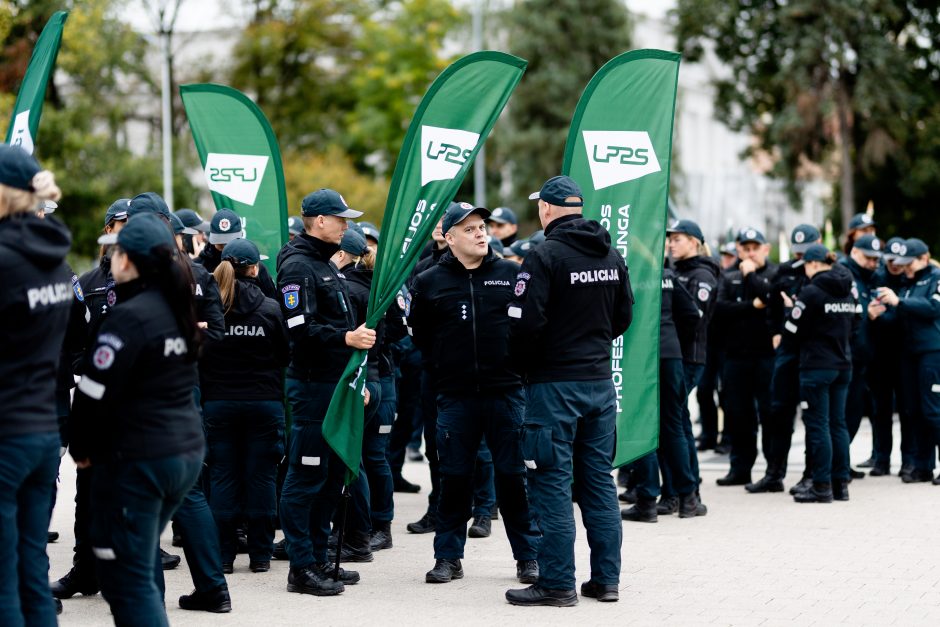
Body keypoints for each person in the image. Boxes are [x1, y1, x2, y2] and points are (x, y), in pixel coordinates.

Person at [68, 213, 207, 624]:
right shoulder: (177, 308)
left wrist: (82, 449)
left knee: (126, 580)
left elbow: (91, 394)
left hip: (145, 457)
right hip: (181, 452)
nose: (110, 258)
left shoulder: (128, 318)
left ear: (128, 260)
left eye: (115, 251)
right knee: (135, 562)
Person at [506, 175, 633, 606]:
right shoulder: (611, 254)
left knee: (551, 483)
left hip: (553, 388)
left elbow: (524, 326)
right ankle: (606, 581)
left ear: (546, 209)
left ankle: (558, 583)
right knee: (598, 482)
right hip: (599, 384)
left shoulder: (544, 255)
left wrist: (529, 365)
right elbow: (623, 317)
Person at [408, 202, 541, 586]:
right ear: (448, 238)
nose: (481, 233)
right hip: (455, 397)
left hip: (507, 394)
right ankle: (448, 558)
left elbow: (529, 327)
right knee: (454, 480)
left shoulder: (511, 273)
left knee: (514, 480)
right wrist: (446, 368)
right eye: (469, 229)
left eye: (482, 226)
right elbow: (421, 336)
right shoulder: (429, 281)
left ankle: (528, 557)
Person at [276, 188, 374, 596]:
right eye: (341, 219)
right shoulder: (299, 266)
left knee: (332, 477)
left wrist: (357, 382)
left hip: (337, 386)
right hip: (314, 386)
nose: (346, 226)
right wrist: (346, 337)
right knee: (306, 477)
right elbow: (299, 330)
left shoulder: (326, 265)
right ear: (319, 221)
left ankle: (319, 558)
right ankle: (301, 567)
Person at [0, 144, 67, 626]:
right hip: (42, 429)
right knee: (31, 574)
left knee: (5, 581)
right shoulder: (53, 254)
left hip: (6, 433)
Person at [200, 237, 289, 575]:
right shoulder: (270, 308)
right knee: (262, 478)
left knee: (222, 477)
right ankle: (261, 556)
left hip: (219, 404)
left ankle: (224, 556)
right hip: (263, 403)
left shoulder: (212, 310)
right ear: (255, 269)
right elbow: (285, 356)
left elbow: (200, 356)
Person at [749, 224, 821, 494]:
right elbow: (772, 305)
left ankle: (812, 475)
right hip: (786, 351)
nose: (802, 258)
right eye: (798, 252)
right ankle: (774, 474)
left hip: (813, 352)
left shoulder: (827, 273)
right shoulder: (786, 271)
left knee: (814, 415)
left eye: (807, 252)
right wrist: (775, 332)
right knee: (779, 412)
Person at [783, 244, 856, 502]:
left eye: (805, 265)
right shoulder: (849, 290)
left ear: (814, 264)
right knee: (838, 424)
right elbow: (856, 322)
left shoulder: (811, 292)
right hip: (843, 364)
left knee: (818, 425)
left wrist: (789, 309)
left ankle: (822, 486)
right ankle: (841, 485)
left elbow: (791, 330)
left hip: (816, 367)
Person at [869, 238, 940, 484]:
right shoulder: (906, 283)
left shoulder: (935, 277)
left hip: (931, 351)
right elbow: (898, 317)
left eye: (909, 263)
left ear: (923, 257)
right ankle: (922, 465)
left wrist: (900, 302)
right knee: (913, 411)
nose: (905, 268)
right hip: (908, 354)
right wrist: (878, 315)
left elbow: (933, 307)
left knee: (933, 410)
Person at [713, 227, 777, 486]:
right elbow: (719, 310)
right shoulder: (727, 276)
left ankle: (773, 472)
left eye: (755, 248)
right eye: (745, 248)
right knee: (738, 415)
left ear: (765, 249)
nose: (750, 253)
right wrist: (751, 307)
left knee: (770, 414)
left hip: (766, 357)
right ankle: (740, 468)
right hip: (735, 357)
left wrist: (751, 277)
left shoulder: (775, 274)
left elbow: (771, 302)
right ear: (738, 249)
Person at [867, 238, 912, 476]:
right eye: (890, 260)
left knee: (907, 410)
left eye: (898, 260)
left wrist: (882, 316)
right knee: (880, 410)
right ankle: (881, 459)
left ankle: (908, 461)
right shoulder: (877, 278)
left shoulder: (909, 278)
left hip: (904, 353)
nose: (894, 264)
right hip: (880, 354)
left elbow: (900, 316)